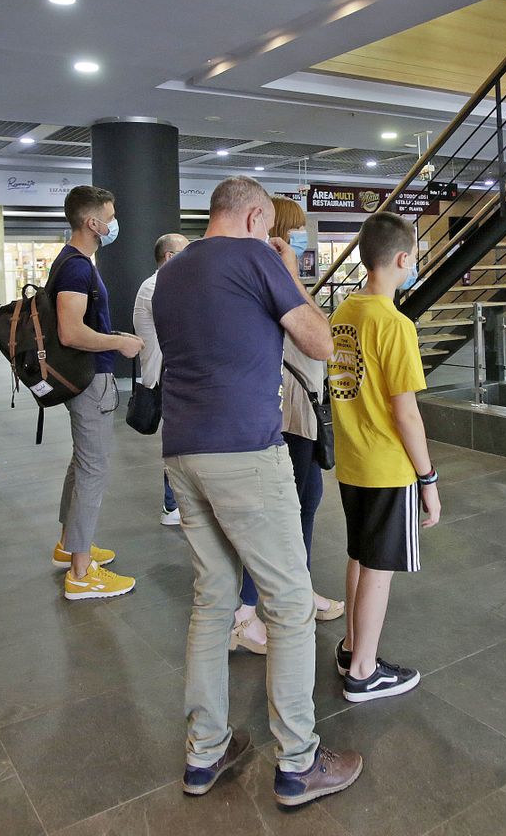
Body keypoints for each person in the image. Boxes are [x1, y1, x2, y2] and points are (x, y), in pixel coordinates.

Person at [153, 175, 362, 807]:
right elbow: (320, 341)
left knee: (213, 602)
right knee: (291, 607)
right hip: (244, 451)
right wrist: (287, 269)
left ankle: (205, 754)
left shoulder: (173, 270)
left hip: (182, 451)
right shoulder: (254, 257)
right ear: (252, 218)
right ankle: (299, 763)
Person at [327, 210, 440, 701]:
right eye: (412, 258)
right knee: (379, 569)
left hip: (352, 460)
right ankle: (364, 672)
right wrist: (429, 478)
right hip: (387, 466)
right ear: (401, 259)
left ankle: (353, 648)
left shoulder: (343, 313)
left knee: (359, 556)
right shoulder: (394, 324)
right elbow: (407, 415)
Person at [230, 197, 343, 657]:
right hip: (283, 411)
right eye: (297, 232)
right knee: (274, 514)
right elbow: (320, 341)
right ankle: (246, 609)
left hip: (303, 409)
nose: (304, 240)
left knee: (307, 500)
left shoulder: (281, 279)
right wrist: (290, 274)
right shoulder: (269, 280)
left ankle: (299, 590)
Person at [52, 185, 144, 599]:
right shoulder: (76, 267)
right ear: (93, 222)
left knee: (82, 464)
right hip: (91, 380)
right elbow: (70, 332)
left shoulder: (74, 262)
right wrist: (118, 344)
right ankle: (80, 571)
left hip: (88, 376)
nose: (114, 222)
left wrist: (112, 334)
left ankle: (70, 543)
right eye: (110, 214)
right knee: (93, 470)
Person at [132, 232, 189, 527]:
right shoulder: (156, 286)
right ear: (169, 257)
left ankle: (179, 501)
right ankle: (171, 505)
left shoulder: (165, 285)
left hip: (170, 376)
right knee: (177, 441)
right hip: (166, 379)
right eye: (185, 252)